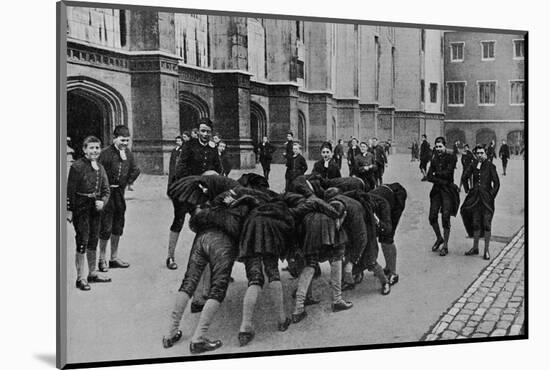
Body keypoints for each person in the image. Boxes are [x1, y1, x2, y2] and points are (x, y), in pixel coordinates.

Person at [162, 197, 253, 354]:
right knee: (218, 289)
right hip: (223, 244)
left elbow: (196, 221)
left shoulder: (219, 201)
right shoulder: (246, 206)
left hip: (201, 238)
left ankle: (170, 333)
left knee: (188, 282)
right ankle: (198, 338)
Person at [237, 193, 294, 346]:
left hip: (251, 245)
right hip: (270, 245)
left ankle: (245, 327)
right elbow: (289, 227)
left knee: (254, 281)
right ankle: (282, 320)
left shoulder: (252, 211)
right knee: (274, 275)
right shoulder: (279, 211)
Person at [165, 118, 222, 270]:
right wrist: (198, 181)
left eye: (208, 131)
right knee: (179, 220)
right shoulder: (188, 145)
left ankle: (207, 259)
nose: (205, 134)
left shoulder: (213, 148)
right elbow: (180, 169)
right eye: (202, 131)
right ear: (197, 132)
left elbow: (219, 169)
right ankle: (170, 256)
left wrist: (211, 182)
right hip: (185, 189)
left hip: (202, 191)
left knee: (204, 222)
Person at [287, 192, 351, 323]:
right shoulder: (333, 214)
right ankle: (337, 300)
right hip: (328, 230)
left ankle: (298, 308)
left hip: (309, 231)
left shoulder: (307, 211)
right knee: (336, 261)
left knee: (310, 266)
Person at [67, 136, 111, 290]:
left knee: (93, 239)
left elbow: (106, 190)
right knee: (82, 240)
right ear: (84, 149)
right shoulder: (77, 167)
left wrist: (102, 201)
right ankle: (80, 278)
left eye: (97, 148)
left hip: (95, 208)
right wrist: (69, 211)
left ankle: (92, 273)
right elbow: (70, 192)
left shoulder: (101, 167)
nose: (94, 151)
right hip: (81, 208)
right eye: (91, 148)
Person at [97, 125, 140, 271]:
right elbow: (97, 173)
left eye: (127, 140)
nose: (125, 143)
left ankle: (114, 258)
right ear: (114, 138)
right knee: (105, 228)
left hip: (119, 195)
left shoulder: (128, 153)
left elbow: (135, 169)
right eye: (122, 140)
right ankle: (102, 259)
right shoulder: (105, 154)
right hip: (107, 195)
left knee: (118, 226)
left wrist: (128, 182)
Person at [461, 145, 500, 260]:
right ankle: (475, 247)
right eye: (477, 153)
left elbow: (496, 184)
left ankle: (486, 250)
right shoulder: (473, 165)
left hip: (487, 200)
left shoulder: (491, 166)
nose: (479, 155)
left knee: (487, 224)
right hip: (475, 199)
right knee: (476, 223)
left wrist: (491, 195)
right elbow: (464, 177)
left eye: (482, 153)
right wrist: (468, 190)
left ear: (485, 154)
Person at [422, 137, 459, 257]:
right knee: (432, 217)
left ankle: (446, 246)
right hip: (437, 191)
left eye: (440, 146)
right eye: (436, 147)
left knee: (445, 217)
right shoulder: (434, 159)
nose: (438, 149)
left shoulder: (452, 157)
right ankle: (439, 238)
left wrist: (436, 174)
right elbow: (428, 176)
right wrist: (438, 177)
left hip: (448, 191)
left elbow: (448, 173)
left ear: (445, 146)